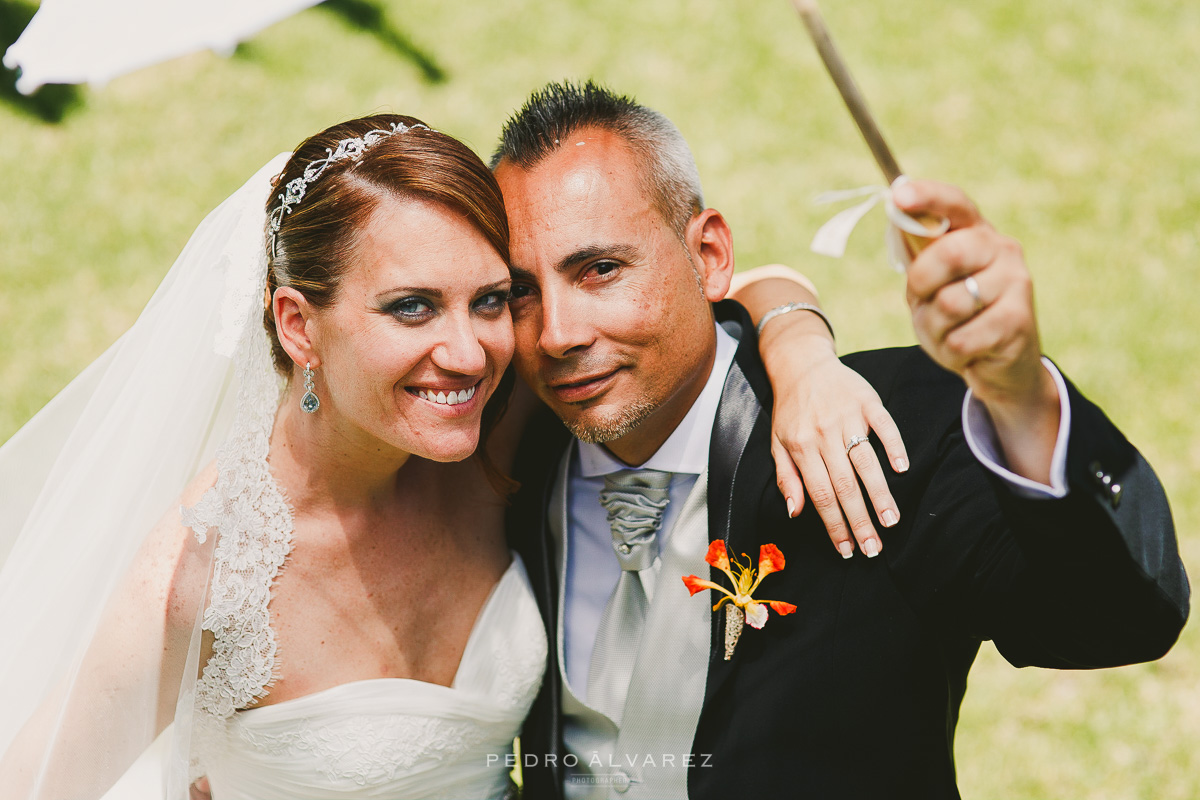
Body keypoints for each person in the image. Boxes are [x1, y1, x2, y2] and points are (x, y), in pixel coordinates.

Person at [0, 113, 901, 798]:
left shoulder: (483, 438)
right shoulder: (202, 571)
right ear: (296, 324)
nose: (472, 353)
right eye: (411, 308)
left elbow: (693, 285)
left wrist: (801, 351)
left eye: (490, 299)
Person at [492, 81, 1190, 799]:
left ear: (709, 255)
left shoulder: (881, 435)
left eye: (600, 269)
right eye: (520, 292)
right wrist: (791, 322)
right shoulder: (507, 454)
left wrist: (1017, 396)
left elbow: (1123, 620)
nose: (557, 333)